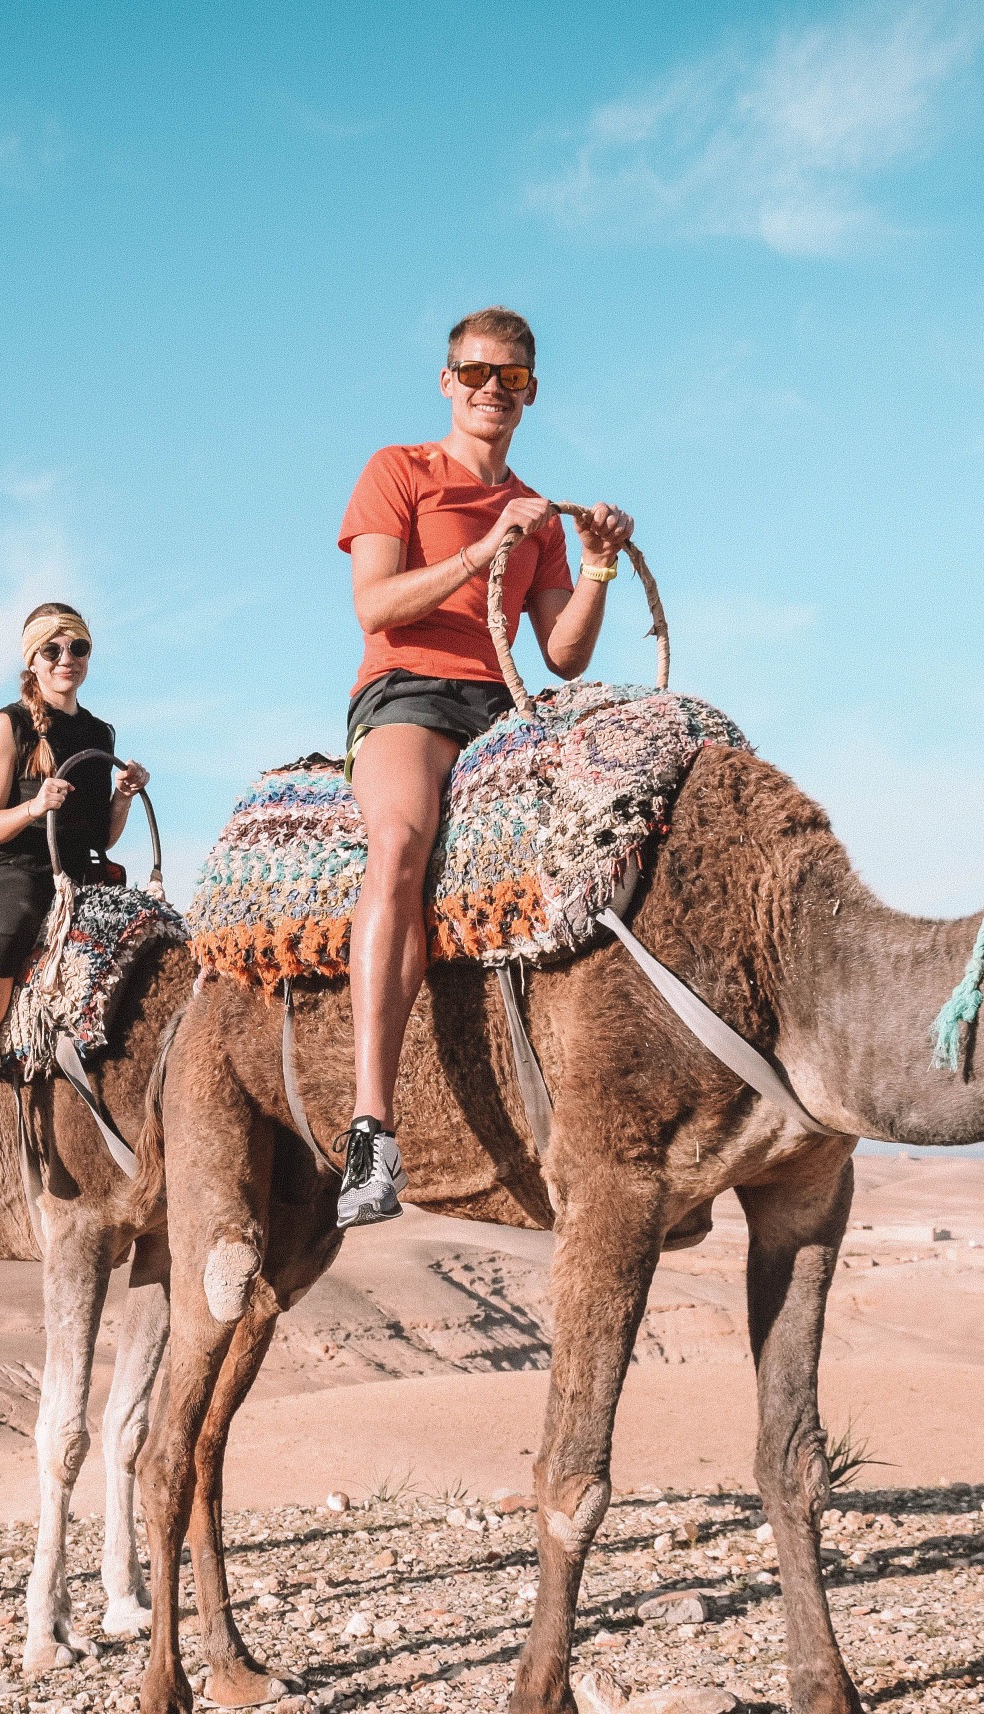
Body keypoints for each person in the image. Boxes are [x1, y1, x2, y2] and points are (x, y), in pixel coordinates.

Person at [331, 306, 632, 1226]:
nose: (492, 391)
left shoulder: (537, 508)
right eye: (476, 374)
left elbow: (565, 656)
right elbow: (375, 606)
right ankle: (371, 1128)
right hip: (409, 693)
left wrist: (595, 568)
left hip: (504, 704)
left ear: (532, 392)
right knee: (401, 844)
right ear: (446, 381)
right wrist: (478, 553)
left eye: (514, 379)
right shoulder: (398, 472)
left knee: (611, 838)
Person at [0, 602, 148, 1159]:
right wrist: (36, 808)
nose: (66, 660)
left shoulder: (98, 731)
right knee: (12, 935)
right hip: (16, 869)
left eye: (77, 648)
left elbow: (100, 833)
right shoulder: (8, 726)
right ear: (32, 658)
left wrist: (123, 797)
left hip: (80, 871)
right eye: (52, 650)